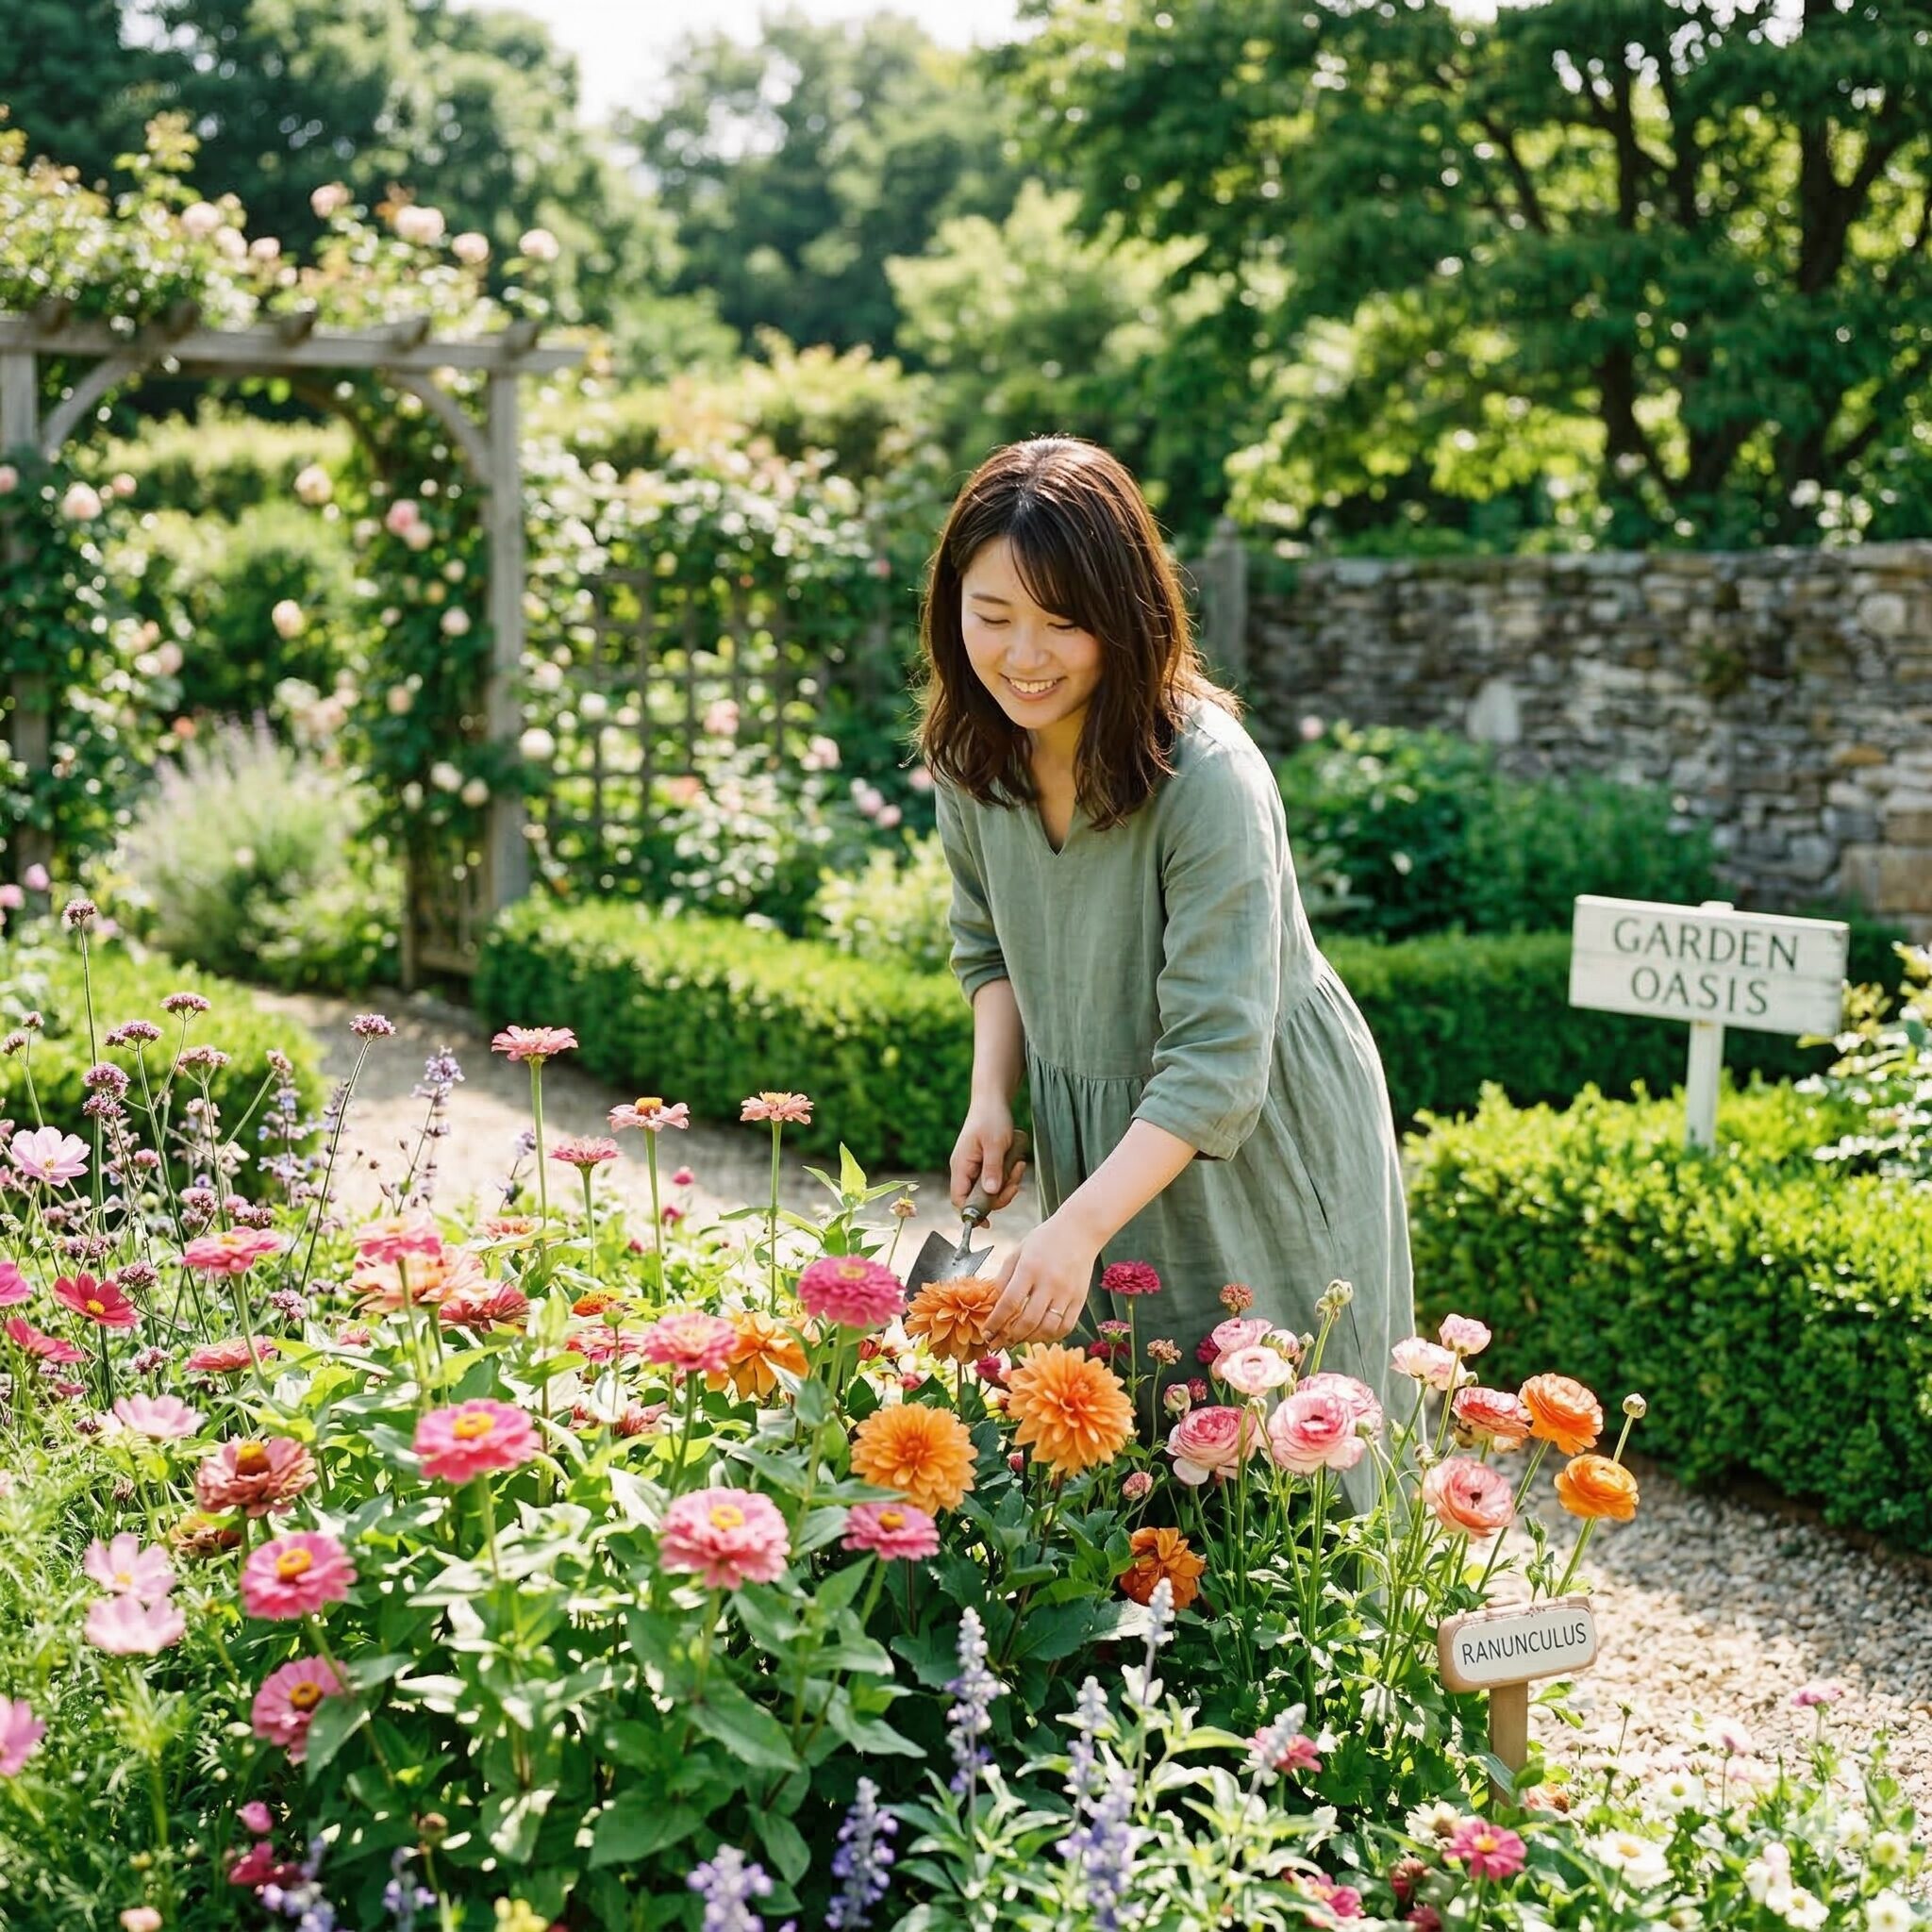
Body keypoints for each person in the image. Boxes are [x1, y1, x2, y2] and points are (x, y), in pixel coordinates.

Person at [917, 435, 1414, 1425]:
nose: (1021, 656)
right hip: (1103, 1140)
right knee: (1130, 1453)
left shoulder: (1206, 776)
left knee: (1283, 1455)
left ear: (1126, 618)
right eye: (991, 616)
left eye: (1062, 623)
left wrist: (1074, 1226)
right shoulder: (976, 755)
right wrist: (991, 1096)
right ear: (950, 610)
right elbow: (986, 945)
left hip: (1249, 1136)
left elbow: (1215, 1062)